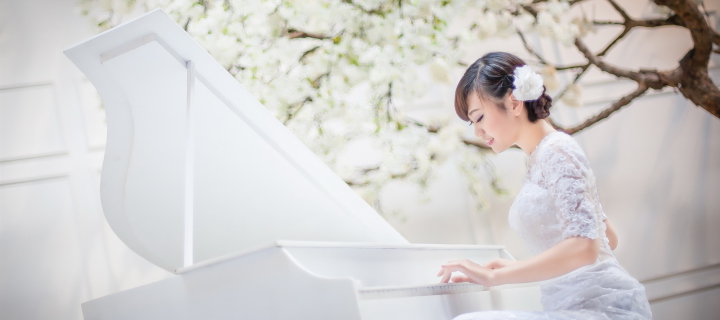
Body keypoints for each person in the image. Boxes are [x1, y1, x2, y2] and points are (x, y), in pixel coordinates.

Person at [436, 52, 653, 320]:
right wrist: (510, 268)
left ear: (514, 102)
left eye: (479, 118)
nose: (477, 133)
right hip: (569, 306)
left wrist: (496, 276)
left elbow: (586, 247)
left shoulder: (558, 151)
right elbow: (609, 239)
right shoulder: (541, 157)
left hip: (601, 308)